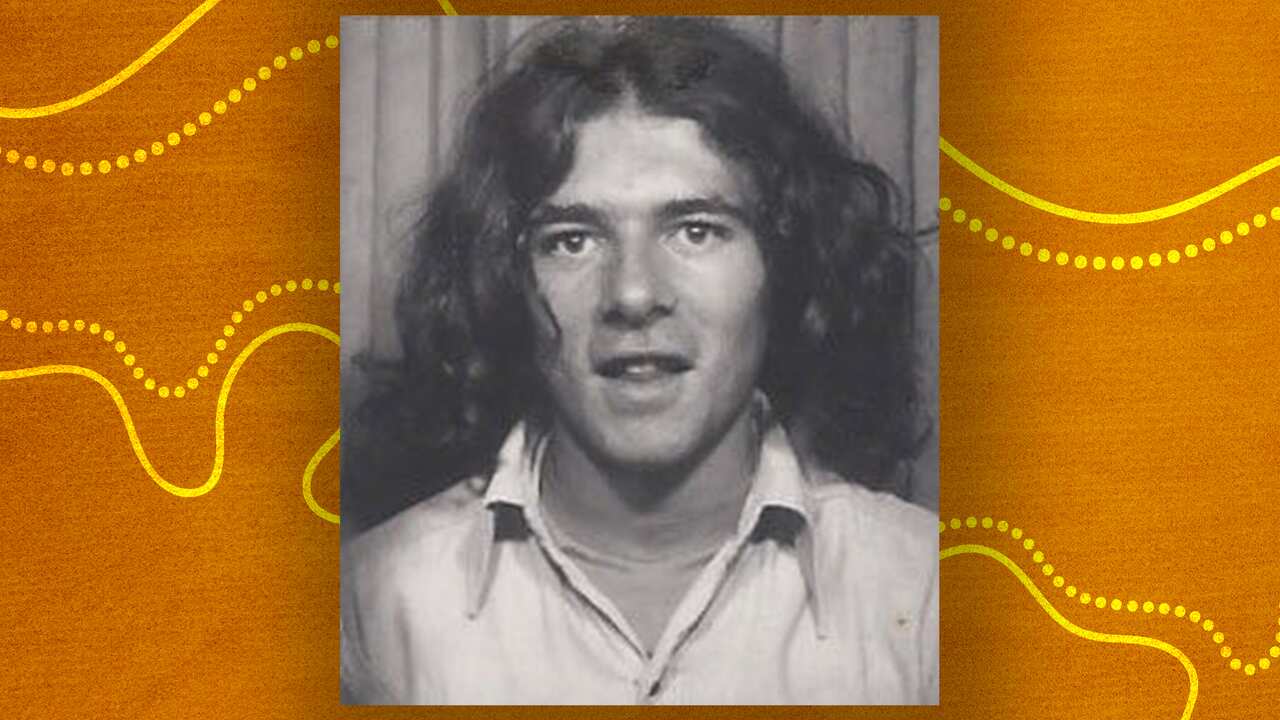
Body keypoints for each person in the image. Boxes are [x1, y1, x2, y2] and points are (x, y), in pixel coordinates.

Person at [341, 16, 937, 705]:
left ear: (788, 267)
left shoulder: (926, 595)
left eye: (695, 230)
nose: (633, 294)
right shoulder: (373, 609)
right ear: (500, 281)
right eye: (571, 240)